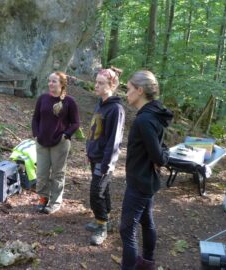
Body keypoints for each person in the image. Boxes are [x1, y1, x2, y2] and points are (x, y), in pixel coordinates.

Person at [119, 70, 173, 270]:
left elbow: (159, 155)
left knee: (126, 229)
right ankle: (148, 262)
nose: (127, 93)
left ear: (140, 91)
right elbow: (158, 147)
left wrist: (164, 155)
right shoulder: (153, 114)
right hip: (146, 180)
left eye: (129, 89)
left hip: (140, 183)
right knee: (146, 220)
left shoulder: (145, 120)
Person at [85, 67, 125, 246]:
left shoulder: (116, 109)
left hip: (104, 160)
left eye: (101, 83)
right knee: (103, 190)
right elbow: (94, 132)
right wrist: (89, 152)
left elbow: (114, 140)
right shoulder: (100, 104)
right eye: (96, 82)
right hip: (95, 157)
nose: (96, 86)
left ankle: (102, 226)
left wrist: (107, 164)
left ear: (112, 85)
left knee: (96, 193)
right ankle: (105, 219)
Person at [31, 71, 80, 214]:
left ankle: (55, 202)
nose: (50, 84)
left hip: (60, 143)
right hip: (42, 141)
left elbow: (75, 123)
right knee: (41, 173)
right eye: (49, 81)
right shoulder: (43, 98)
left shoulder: (69, 101)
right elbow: (35, 118)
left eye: (54, 81)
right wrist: (36, 134)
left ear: (62, 84)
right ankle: (43, 199)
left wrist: (66, 135)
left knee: (58, 174)